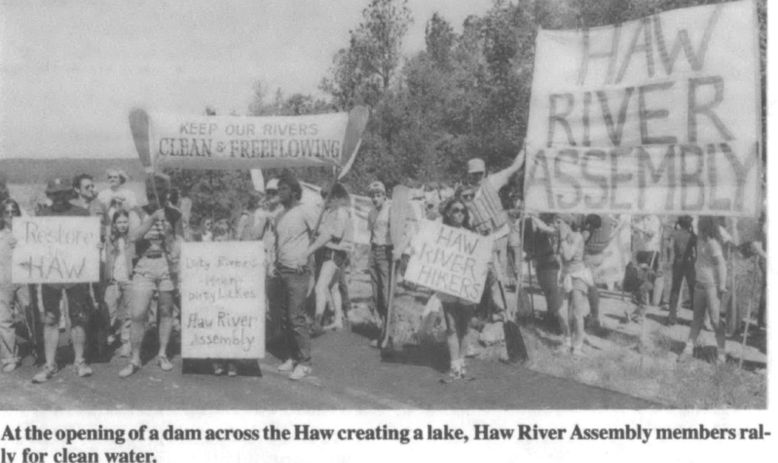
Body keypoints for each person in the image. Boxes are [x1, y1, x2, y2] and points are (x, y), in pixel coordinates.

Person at [119, 173, 183, 377]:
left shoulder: (175, 214)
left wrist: (171, 237)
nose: (157, 196)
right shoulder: (138, 211)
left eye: (162, 192)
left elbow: (180, 244)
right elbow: (133, 236)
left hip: (166, 264)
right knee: (138, 313)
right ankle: (135, 358)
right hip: (144, 263)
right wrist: (152, 219)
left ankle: (162, 353)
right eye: (154, 192)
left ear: (167, 193)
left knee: (166, 312)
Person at [32, 178, 94, 383]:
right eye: (55, 193)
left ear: (69, 194)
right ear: (49, 195)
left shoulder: (82, 214)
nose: (59, 197)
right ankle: (50, 364)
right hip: (50, 274)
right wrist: (19, 244)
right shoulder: (41, 215)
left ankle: (79, 361)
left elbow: (92, 240)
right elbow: (32, 244)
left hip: (75, 274)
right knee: (50, 318)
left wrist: (96, 245)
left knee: (77, 317)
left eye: (63, 193)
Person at [463, 151, 525, 320]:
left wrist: (524, 147)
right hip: (483, 241)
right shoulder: (464, 194)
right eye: (473, 174)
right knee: (492, 276)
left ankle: (498, 311)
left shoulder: (492, 182)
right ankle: (496, 311)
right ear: (468, 174)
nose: (477, 177)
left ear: (484, 172)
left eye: (479, 173)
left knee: (501, 275)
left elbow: (515, 167)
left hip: (502, 235)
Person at [273, 170, 318, 381]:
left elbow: (325, 234)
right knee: (284, 318)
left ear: (294, 191)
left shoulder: (305, 211)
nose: (279, 192)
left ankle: (305, 362)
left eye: (284, 189)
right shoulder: (278, 215)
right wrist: (275, 263)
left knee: (295, 317)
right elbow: (278, 242)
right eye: (278, 189)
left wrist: (306, 256)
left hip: (298, 272)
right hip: (281, 270)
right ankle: (291, 357)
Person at [435, 198, 477, 380]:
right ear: (448, 213)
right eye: (456, 210)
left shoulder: (471, 236)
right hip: (448, 283)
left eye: (462, 211)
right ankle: (454, 365)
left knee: (465, 326)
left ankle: (462, 361)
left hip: (466, 284)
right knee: (451, 326)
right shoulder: (440, 234)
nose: (460, 213)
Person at [678, 216, 728, 364]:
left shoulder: (713, 244)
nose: (697, 230)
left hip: (712, 286)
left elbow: (721, 265)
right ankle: (688, 349)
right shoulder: (699, 241)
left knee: (715, 320)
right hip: (699, 285)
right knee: (696, 319)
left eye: (700, 227)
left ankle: (721, 354)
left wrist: (722, 285)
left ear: (705, 229)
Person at [304, 183, 352, 334]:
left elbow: (335, 235)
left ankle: (317, 322)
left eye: (328, 199)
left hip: (334, 253)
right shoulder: (332, 212)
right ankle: (338, 320)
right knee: (333, 287)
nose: (326, 202)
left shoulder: (341, 213)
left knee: (320, 287)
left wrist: (320, 235)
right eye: (324, 198)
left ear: (336, 198)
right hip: (333, 252)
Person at [555, 214, 593, 356]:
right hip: (565, 276)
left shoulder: (577, 237)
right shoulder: (560, 234)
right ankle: (567, 341)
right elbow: (543, 227)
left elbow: (568, 256)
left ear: (567, 223)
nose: (555, 225)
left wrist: (563, 239)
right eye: (555, 222)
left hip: (578, 276)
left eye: (559, 222)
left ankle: (577, 347)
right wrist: (533, 216)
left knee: (577, 314)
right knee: (560, 311)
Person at [0, 199, 29, 372]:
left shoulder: (27, 233)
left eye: (13, 211)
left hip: (24, 280)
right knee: (4, 320)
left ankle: (38, 347)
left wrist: (22, 243)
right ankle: (10, 356)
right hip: (3, 282)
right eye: (6, 212)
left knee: (30, 315)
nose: (10, 215)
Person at [104, 210, 135, 357]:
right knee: (109, 311)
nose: (122, 225)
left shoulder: (133, 238)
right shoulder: (110, 239)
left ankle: (126, 342)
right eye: (119, 222)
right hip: (113, 281)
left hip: (129, 280)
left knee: (130, 313)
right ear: (114, 224)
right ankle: (107, 336)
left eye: (125, 222)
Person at [525, 214, 563, 331]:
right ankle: (550, 316)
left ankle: (555, 320)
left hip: (550, 264)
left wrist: (532, 216)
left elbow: (545, 229)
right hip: (541, 263)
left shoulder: (554, 230)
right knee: (547, 292)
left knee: (552, 292)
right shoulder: (538, 232)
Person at [366, 181, 392, 348]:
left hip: (387, 251)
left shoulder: (391, 209)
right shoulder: (371, 212)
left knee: (386, 291)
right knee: (376, 294)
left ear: (384, 195)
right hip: (374, 251)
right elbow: (371, 234)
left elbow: (401, 230)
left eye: (378, 195)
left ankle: (389, 335)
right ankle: (382, 331)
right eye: (373, 196)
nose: (375, 198)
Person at [667, 216, 697, 326]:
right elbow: (697, 251)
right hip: (689, 263)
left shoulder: (674, 233)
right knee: (692, 290)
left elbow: (669, 247)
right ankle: (696, 318)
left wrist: (668, 258)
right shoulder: (692, 236)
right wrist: (695, 261)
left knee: (675, 290)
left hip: (677, 262)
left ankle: (671, 317)